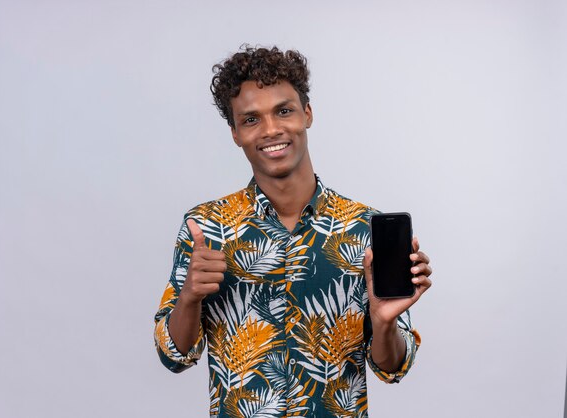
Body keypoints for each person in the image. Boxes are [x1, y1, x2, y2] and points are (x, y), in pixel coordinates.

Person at [154, 45, 433, 417]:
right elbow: (174, 355)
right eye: (251, 119)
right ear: (235, 133)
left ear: (307, 114)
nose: (271, 130)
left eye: (283, 111)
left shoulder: (364, 229)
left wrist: (384, 323)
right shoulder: (206, 227)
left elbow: (392, 367)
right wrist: (189, 297)